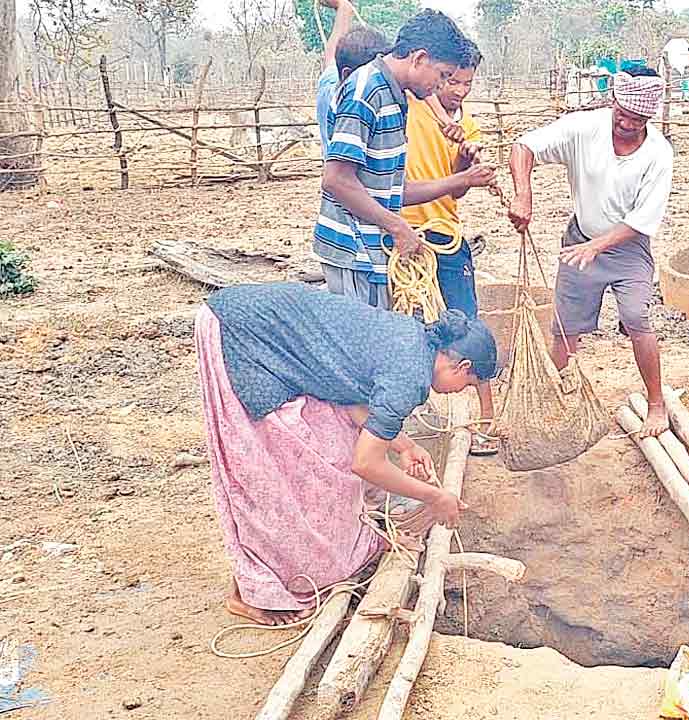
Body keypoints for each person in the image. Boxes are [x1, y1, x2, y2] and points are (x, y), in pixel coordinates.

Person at [195, 282, 498, 626]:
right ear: (462, 366)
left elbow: (347, 397)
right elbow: (366, 463)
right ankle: (252, 591)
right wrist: (435, 497)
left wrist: (405, 445)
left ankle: (311, 559)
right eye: (470, 384)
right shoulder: (410, 376)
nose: (463, 392)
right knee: (275, 472)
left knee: (330, 445)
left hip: (268, 327)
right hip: (244, 330)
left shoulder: (416, 343)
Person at [507, 67, 674, 437]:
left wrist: (596, 247)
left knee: (636, 317)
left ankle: (657, 404)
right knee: (565, 327)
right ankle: (553, 402)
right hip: (580, 238)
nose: (626, 123)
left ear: (649, 116)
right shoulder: (585, 127)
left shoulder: (659, 155)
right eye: (622, 113)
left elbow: (640, 222)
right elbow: (523, 147)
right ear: (613, 101)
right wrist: (523, 192)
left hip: (628, 249)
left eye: (636, 118)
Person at [315, 10, 496, 309]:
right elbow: (336, 180)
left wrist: (462, 179)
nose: (440, 86)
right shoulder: (366, 90)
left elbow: (393, 190)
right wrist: (398, 227)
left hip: (374, 250)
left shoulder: (394, 96)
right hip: (354, 249)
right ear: (419, 58)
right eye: (442, 75)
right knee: (364, 347)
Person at [402, 40, 497, 455]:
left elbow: (456, 192)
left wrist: (464, 156)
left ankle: (485, 419)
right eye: (452, 80)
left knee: (469, 328)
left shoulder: (467, 123)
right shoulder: (411, 101)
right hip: (404, 236)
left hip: (445, 233)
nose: (458, 90)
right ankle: (408, 421)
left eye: (467, 83)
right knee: (410, 326)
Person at [314, 0, 388, 154]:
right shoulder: (353, 103)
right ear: (348, 75)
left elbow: (331, 57)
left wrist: (344, 9)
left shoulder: (331, 84)